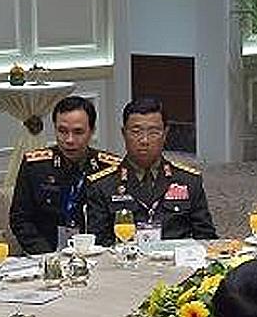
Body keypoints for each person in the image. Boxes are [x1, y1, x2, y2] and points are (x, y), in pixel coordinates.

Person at [84, 97, 216, 244]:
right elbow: (98, 244)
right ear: (124, 133)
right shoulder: (102, 185)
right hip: (125, 263)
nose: (145, 140)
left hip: (176, 263)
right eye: (136, 131)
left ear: (165, 134)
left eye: (153, 132)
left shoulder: (189, 180)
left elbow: (206, 239)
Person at [8, 95, 120, 253]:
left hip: (98, 254)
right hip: (47, 254)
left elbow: (120, 220)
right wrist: (47, 255)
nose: (69, 140)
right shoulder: (35, 165)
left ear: (92, 131)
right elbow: (20, 219)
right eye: (62, 131)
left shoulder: (110, 168)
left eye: (78, 132)